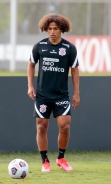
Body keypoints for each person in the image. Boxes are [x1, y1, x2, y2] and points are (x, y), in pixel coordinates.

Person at [27, 14, 80, 172]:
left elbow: (75, 70)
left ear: (61, 29)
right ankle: (45, 161)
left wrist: (77, 93)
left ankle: (61, 158)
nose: (52, 32)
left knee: (65, 126)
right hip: (43, 96)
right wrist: (30, 86)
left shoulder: (69, 48)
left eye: (55, 29)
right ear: (45, 29)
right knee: (41, 127)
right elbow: (31, 65)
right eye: (49, 29)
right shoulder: (39, 46)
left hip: (61, 95)